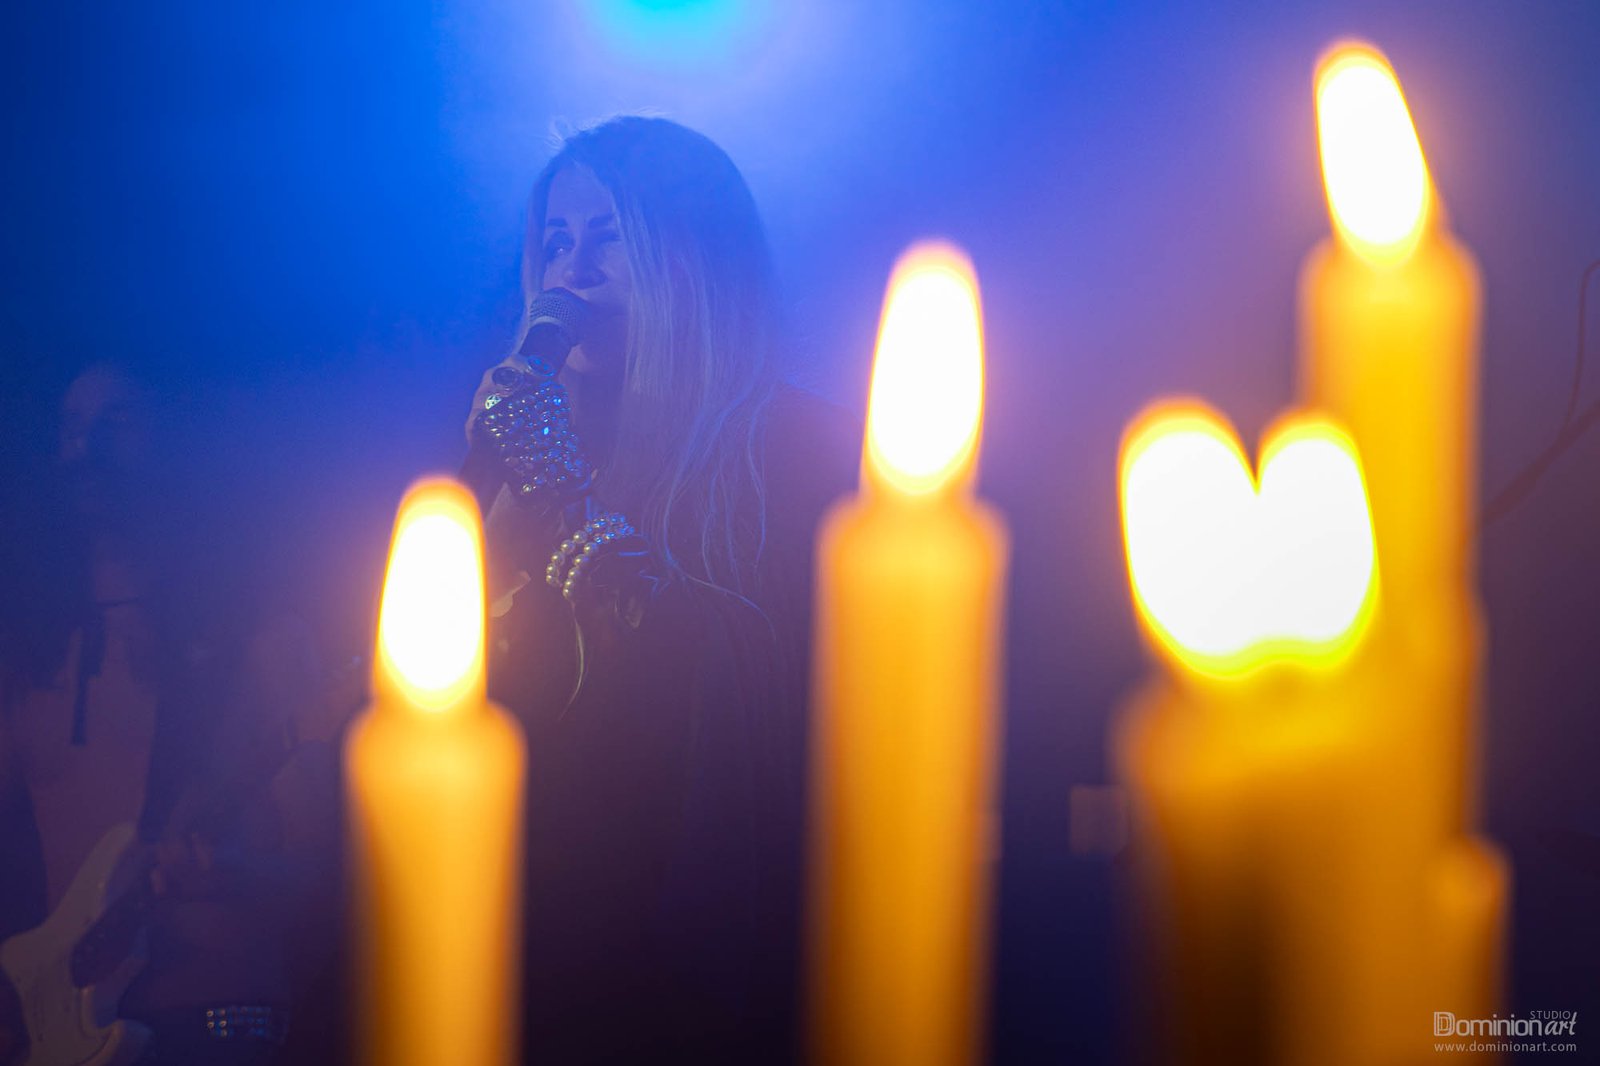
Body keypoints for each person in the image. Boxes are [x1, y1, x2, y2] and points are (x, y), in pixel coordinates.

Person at [465, 116, 858, 1063]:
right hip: (535, 954)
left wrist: (562, 500)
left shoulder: (800, 449)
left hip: (704, 970)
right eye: (556, 243)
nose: (571, 274)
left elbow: (751, 694)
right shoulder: (534, 449)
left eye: (609, 241)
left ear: (691, 261)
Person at [0, 361, 347, 1066]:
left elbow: (325, 876)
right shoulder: (31, 654)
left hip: (210, 1022)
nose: (89, 447)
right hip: (56, 1038)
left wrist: (225, 871)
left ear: (172, 441)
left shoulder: (255, 640)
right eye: (73, 427)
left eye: (118, 421)